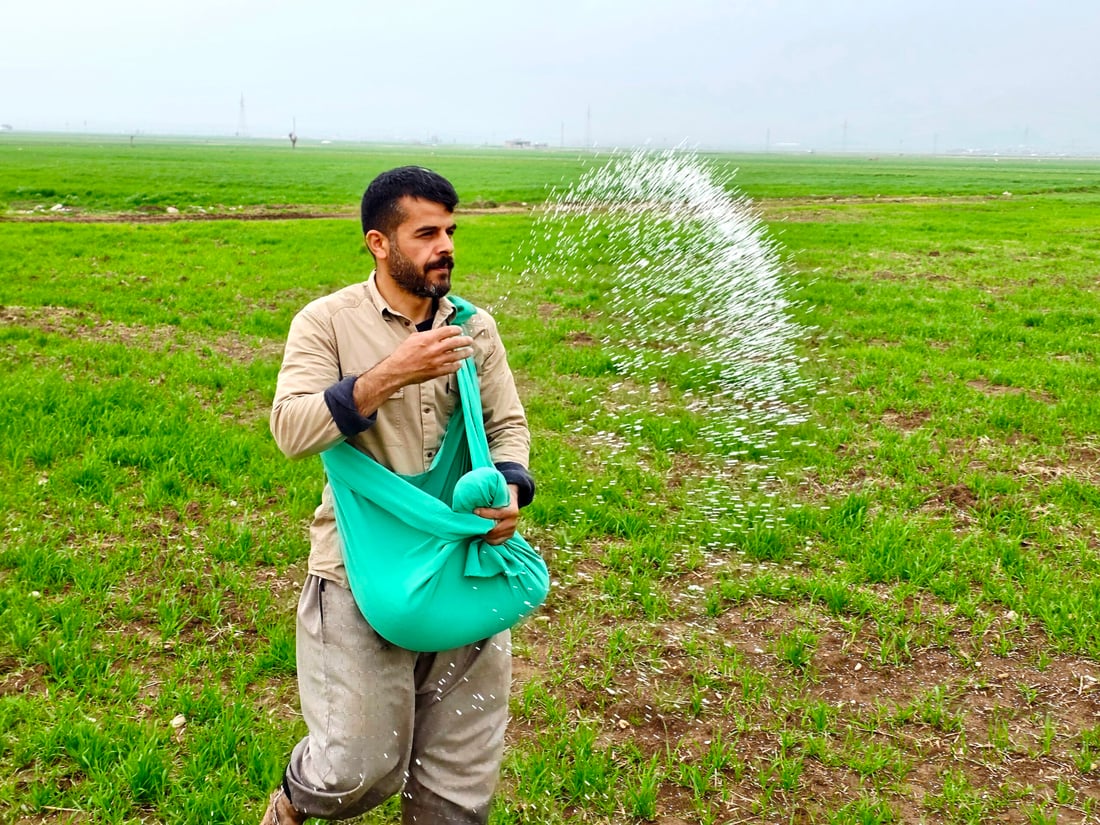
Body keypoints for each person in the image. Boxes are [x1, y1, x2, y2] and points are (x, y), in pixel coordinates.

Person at [263, 166, 535, 825]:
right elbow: (291, 428)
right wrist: (388, 374)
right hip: (359, 573)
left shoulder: (475, 328)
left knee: (458, 788)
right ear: (378, 243)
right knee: (358, 767)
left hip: (460, 565)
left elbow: (506, 425)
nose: (445, 246)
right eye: (425, 233)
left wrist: (510, 485)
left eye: (450, 230)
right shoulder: (326, 323)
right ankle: (293, 804)